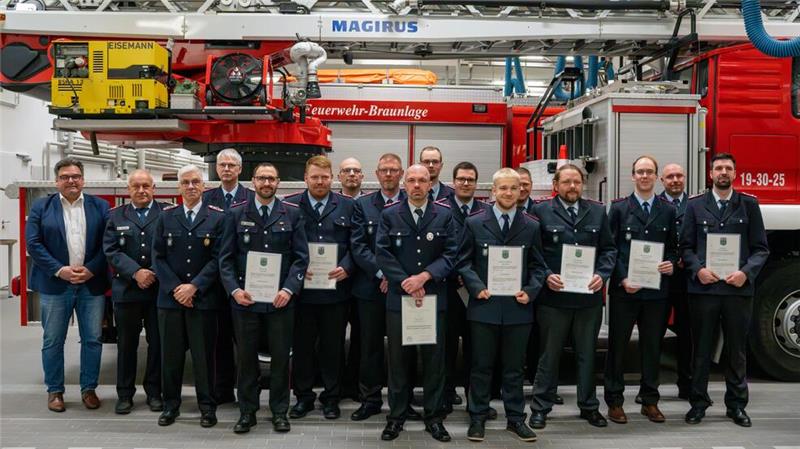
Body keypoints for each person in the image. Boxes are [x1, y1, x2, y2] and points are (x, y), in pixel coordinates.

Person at [457, 168, 547, 443]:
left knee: (513, 369)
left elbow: (539, 266)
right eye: (503, 188)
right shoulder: (474, 223)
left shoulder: (531, 225)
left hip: (518, 309)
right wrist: (475, 287)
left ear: (521, 191)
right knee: (481, 366)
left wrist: (530, 291)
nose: (509, 193)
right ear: (493, 192)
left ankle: (516, 419)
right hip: (484, 307)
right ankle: (477, 417)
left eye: (514, 188)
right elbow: (463, 261)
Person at [219, 163, 309, 434]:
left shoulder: (292, 214)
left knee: (281, 359)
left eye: (271, 178)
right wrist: (235, 290)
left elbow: (301, 259)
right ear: (253, 181)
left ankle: (280, 411)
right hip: (246, 302)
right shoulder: (236, 214)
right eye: (261, 178)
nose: (266, 183)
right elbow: (225, 259)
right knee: (246, 360)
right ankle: (247, 412)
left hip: (281, 302)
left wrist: (289, 290)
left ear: (278, 182)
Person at [681, 153, 769, 427]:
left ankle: (736, 405)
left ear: (735, 174)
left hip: (736, 291)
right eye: (718, 168)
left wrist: (746, 273)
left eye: (728, 168)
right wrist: (698, 270)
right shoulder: (694, 206)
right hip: (704, 290)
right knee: (702, 350)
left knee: (736, 350)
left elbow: (761, 249)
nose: (723, 172)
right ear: (710, 174)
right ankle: (698, 403)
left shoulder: (749, 205)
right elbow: (685, 247)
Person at [528, 164, 616, 429]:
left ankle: (589, 406)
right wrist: (545, 275)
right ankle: (541, 407)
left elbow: (609, 250)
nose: (572, 187)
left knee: (587, 355)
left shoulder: (598, 211)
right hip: (553, 299)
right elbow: (534, 252)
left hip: (588, 299)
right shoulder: (540, 210)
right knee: (549, 355)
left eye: (576, 182)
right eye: (566, 182)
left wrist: (602, 274)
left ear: (583, 184)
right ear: (556, 185)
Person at [375, 164, 459, 442]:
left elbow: (451, 254)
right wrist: (406, 282)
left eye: (422, 180)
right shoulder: (389, 215)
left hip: (433, 300)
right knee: (398, 362)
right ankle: (396, 417)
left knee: (435, 362)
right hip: (401, 300)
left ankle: (434, 418)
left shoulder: (444, 215)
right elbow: (383, 253)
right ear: (404, 183)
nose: (417, 185)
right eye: (411, 180)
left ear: (430, 184)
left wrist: (424, 277)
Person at [26, 158, 110, 413]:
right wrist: (60, 270)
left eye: (75, 176)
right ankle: (55, 392)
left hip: (90, 284)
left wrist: (92, 269)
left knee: (93, 339)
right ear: (57, 181)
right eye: (65, 177)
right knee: (53, 340)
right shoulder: (42, 207)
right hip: (55, 285)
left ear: (83, 179)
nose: (71, 180)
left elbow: (109, 243)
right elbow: (33, 243)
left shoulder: (100, 206)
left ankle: (89, 389)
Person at [604, 156, 679, 424]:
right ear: (632, 176)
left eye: (649, 172)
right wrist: (623, 278)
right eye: (640, 172)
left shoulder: (668, 210)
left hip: (656, 293)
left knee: (652, 347)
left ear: (656, 177)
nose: (644, 176)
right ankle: (614, 402)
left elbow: (672, 247)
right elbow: (610, 248)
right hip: (626, 291)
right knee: (618, 347)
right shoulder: (619, 209)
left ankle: (650, 401)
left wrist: (670, 263)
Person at [152, 165, 226, 428]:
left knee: (204, 357)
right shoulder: (166, 217)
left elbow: (219, 259)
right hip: (170, 301)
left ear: (204, 186)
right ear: (179, 187)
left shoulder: (217, 218)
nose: (191, 186)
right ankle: (171, 406)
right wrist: (177, 288)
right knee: (170, 357)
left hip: (203, 300)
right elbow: (157, 257)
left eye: (196, 182)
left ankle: (207, 407)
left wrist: (194, 287)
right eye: (186, 182)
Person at [284, 156, 355, 420]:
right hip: (302, 293)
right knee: (301, 347)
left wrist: (347, 267)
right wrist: (296, 271)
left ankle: (331, 397)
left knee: (333, 347)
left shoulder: (347, 206)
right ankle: (303, 397)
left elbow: (355, 243)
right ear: (305, 178)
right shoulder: (290, 205)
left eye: (325, 177)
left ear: (332, 178)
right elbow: (284, 245)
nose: (320, 182)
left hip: (335, 292)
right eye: (314, 177)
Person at [349, 153, 406, 421]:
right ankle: (369, 399)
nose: (389, 175)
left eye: (394, 170)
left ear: (401, 173)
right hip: (370, 289)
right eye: (384, 170)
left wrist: (395, 277)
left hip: (404, 289)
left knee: (403, 347)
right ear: (376, 173)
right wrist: (382, 272)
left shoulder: (413, 203)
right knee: (369, 346)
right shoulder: (362, 205)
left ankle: (401, 402)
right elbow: (358, 246)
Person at [103, 169, 164, 415]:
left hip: (158, 291)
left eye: (146, 186)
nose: (141, 191)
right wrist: (136, 272)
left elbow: (170, 249)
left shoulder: (167, 214)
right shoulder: (116, 216)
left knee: (157, 344)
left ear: (153, 189)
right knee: (126, 345)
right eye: (136, 186)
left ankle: (154, 392)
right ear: (129, 190)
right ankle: (125, 394)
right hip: (127, 291)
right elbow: (111, 250)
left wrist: (152, 273)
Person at [202, 148, 254, 404]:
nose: (226, 169)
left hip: (244, 282)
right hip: (214, 283)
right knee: (218, 339)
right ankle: (222, 391)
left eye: (232, 165)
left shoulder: (252, 198)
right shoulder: (205, 198)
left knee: (245, 342)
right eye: (222, 164)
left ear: (240, 169)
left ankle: (248, 393)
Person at [443, 161, 490, 412]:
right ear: (453, 182)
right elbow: (439, 251)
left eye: (470, 179)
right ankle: (447, 396)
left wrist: (471, 278)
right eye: (461, 179)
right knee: (447, 346)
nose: (465, 183)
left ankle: (476, 400)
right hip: (449, 289)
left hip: (477, 291)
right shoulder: (440, 210)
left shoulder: (486, 211)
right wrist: (457, 273)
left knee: (477, 349)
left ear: (476, 183)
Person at [658, 163, 692, 400]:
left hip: (687, 278)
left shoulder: (697, 205)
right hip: (658, 277)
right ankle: (649, 388)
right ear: (662, 180)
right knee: (654, 333)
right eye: (670, 176)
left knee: (688, 334)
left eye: (679, 175)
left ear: (685, 178)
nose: (675, 180)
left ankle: (687, 384)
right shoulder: (655, 205)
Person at [337, 157, 365, 402]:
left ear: (363, 177)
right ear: (339, 176)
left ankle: (354, 386)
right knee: (333, 339)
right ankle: (332, 387)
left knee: (359, 338)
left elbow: (363, 245)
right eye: (347, 171)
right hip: (331, 283)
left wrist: (348, 266)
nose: (352, 175)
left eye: (356, 171)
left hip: (361, 284)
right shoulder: (333, 204)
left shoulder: (368, 204)